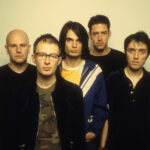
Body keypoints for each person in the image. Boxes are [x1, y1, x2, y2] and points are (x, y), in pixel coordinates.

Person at [8, 33, 85, 150]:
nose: (47, 61)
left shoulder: (73, 93)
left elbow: (79, 138)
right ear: (33, 58)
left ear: (59, 60)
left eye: (53, 56)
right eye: (42, 55)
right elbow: (11, 138)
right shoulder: (19, 94)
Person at [59, 21, 108, 150]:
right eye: (69, 40)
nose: (74, 45)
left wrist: (93, 131)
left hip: (85, 141)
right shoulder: (54, 69)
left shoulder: (94, 71)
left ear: (84, 42)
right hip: (59, 138)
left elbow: (101, 106)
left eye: (79, 40)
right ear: (63, 42)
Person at [106, 31, 150, 150]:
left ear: (147, 54)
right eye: (131, 50)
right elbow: (107, 115)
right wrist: (103, 145)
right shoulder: (113, 79)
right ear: (125, 52)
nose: (136, 56)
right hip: (115, 144)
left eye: (142, 51)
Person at [0, 29, 36, 149]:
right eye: (13, 46)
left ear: (29, 47)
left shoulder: (40, 74)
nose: (19, 50)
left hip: (35, 144)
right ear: (6, 49)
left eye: (23, 45)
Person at [87, 14, 126, 79]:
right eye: (95, 33)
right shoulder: (83, 59)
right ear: (90, 35)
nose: (100, 38)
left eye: (103, 33)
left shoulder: (122, 58)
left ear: (109, 34)